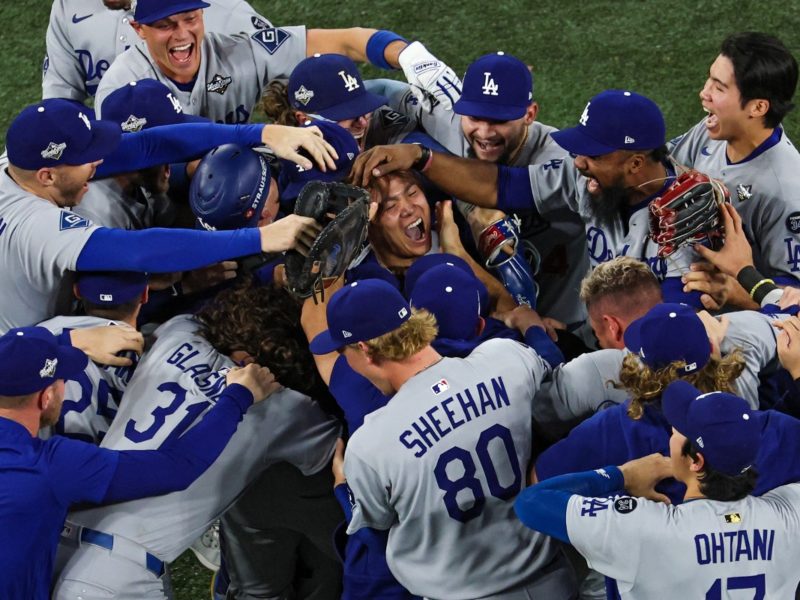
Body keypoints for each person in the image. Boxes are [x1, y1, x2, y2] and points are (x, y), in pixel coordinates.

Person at [53, 284, 342, 600]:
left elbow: (199, 319)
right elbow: (338, 453)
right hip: (120, 575)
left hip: (55, 542)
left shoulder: (179, 331)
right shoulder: (286, 407)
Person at [310, 279, 577, 599]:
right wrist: (531, 324)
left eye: (343, 352)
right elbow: (552, 361)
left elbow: (375, 533)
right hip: (554, 580)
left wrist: (343, 488)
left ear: (365, 350)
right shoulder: (503, 359)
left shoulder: (370, 445)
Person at [351, 89, 715, 307]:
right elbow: (504, 185)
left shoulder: (685, 225)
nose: (579, 162)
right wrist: (421, 157)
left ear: (635, 163)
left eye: (593, 156)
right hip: (596, 333)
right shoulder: (591, 179)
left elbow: (675, 326)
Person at [0, 97, 334, 331]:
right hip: (20, 358)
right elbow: (138, 251)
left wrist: (262, 133)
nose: (100, 161)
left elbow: (148, 146)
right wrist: (261, 237)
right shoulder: (35, 226)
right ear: (47, 176)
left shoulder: (19, 166)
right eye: (88, 157)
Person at [0, 326, 277, 600]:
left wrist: (67, 339)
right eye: (61, 380)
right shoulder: (48, 464)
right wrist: (239, 396)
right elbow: (178, 467)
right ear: (46, 397)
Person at [515, 381, 800, 599]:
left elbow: (532, 502)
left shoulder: (644, 529)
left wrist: (621, 476)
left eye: (679, 430)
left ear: (696, 461)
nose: (672, 432)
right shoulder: (789, 515)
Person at [375, 51, 590, 327]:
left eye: (498, 121)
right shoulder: (449, 119)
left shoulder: (563, 162)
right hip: (492, 308)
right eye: (475, 117)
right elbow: (382, 90)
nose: (485, 133)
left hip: (566, 320)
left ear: (529, 114)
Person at [94, 0, 460, 124]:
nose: (182, 35)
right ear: (139, 30)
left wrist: (410, 55)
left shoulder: (235, 52)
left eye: (190, 19)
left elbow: (347, 41)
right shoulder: (121, 89)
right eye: (165, 26)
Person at [670, 32, 800, 308]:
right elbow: (666, 166)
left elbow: (794, 302)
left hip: (738, 334)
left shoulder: (786, 191)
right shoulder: (711, 131)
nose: (704, 92)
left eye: (719, 87)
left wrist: (734, 291)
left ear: (757, 107)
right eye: (710, 79)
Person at [43, 0, 271, 101]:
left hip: (215, 160)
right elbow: (59, 100)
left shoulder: (219, 8)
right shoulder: (68, 7)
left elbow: (287, 66)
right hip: (122, 165)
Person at [38, 271, 149, 443]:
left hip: (40, 460)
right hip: (112, 464)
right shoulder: (155, 354)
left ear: (77, 292)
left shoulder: (43, 334)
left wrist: (67, 341)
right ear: (145, 294)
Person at [264, 52, 419, 151]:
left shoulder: (382, 122)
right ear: (304, 119)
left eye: (364, 109)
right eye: (348, 115)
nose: (363, 123)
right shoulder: (285, 162)